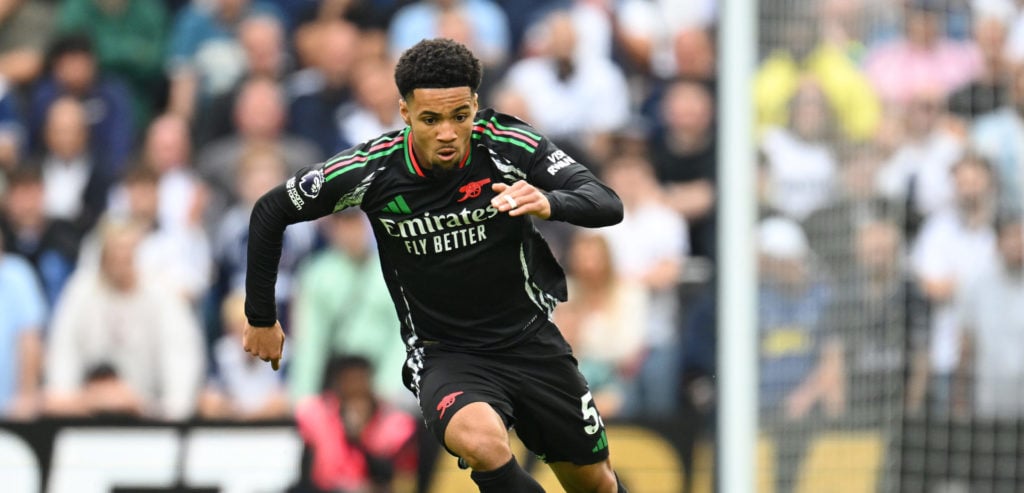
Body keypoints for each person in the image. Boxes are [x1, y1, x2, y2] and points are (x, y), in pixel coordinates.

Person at [243, 39, 627, 492]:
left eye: (459, 116)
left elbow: (606, 202)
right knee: (482, 441)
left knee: (593, 482)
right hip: (444, 351)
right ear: (405, 113)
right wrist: (261, 317)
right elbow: (271, 210)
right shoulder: (372, 169)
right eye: (431, 119)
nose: (447, 132)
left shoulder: (506, 141)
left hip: (530, 340)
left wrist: (549, 200)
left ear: (475, 106)